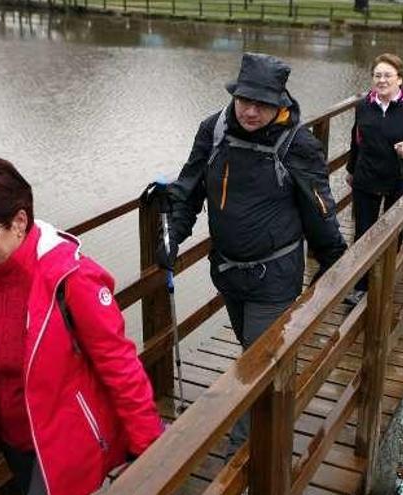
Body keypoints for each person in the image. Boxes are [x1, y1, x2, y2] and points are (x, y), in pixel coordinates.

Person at [145, 52, 346, 457]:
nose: (251, 111)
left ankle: (243, 460)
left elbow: (320, 209)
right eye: (245, 101)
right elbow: (188, 189)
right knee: (251, 351)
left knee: (256, 366)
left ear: (279, 103)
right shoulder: (213, 130)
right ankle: (263, 421)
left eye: (262, 104)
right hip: (227, 270)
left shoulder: (298, 144)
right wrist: (172, 240)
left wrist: (337, 264)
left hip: (275, 275)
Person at [0, 157, 163, 495]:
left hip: (63, 444)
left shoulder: (71, 278)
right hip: (9, 439)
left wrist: (148, 445)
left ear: (19, 221)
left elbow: (119, 364)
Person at [344, 53, 403, 304]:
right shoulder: (364, 105)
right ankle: (361, 286)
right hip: (367, 176)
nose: (382, 80)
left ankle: (382, 282)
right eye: (377, 75)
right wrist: (351, 170)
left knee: (391, 234)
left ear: (399, 78)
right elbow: (356, 139)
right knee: (363, 233)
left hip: (400, 177)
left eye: (388, 75)